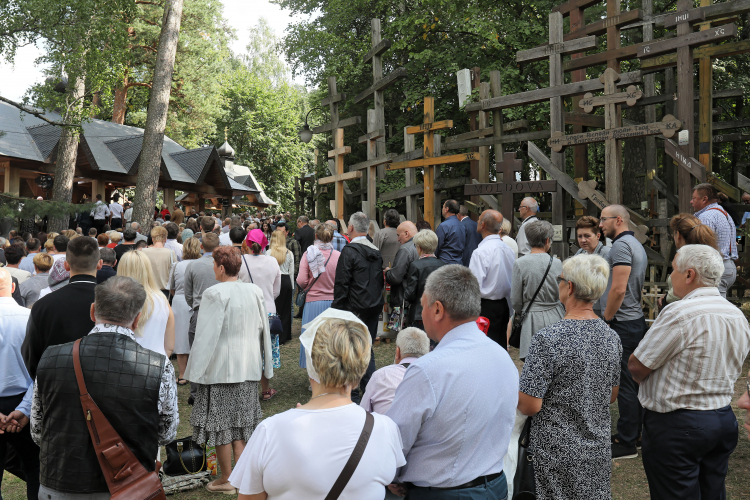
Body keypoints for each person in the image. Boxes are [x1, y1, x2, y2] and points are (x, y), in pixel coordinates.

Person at [30, 276, 179, 499]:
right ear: (137, 319)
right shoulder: (158, 366)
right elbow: (166, 433)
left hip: (60, 484)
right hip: (129, 486)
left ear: (93, 312)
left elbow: (37, 429)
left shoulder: (50, 357)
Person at [229, 312, 405, 499]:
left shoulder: (270, 431)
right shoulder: (386, 429)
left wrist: (290, 422)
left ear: (312, 362)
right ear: (362, 367)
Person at [628, 244, 750, 499]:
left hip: (678, 423)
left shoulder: (680, 312)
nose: (670, 277)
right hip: (722, 418)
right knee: (713, 492)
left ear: (689, 275)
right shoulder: (737, 315)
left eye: (673, 270)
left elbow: (638, 365)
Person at [387, 265, 518, 498]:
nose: (422, 311)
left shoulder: (427, 370)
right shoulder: (502, 357)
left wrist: (393, 476)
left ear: (437, 309)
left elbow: (395, 443)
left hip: (444, 492)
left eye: (423, 303)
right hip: (495, 485)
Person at [518, 254, 621, 500]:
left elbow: (529, 405)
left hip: (555, 450)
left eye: (560, 280)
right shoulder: (611, 337)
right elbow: (611, 395)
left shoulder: (547, 339)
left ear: (570, 287)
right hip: (596, 447)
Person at [183, 246, 271, 494]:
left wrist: (194, 371)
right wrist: (267, 367)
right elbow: (264, 329)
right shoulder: (253, 290)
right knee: (242, 424)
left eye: (213, 265)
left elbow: (205, 337)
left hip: (221, 368)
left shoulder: (213, 293)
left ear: (221, 267)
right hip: (249, 366)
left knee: (222, 426)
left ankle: (228, 479)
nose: (212, 269)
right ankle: (241, 478)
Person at [597, 204, 648, 458]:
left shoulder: (620, 246)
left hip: (623, 322)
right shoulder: (635, 244)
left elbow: (618, 289)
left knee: (626, 383)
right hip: (634, 319)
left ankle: (627, 441)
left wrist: (606, 319)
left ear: (618, 220)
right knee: (633, 382)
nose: (600, 224)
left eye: (603, 220)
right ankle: (635, 435)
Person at [22, 236, 101, 379]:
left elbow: (30, 354)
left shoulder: (43, 305)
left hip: (56, 386)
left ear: (66, 265)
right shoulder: (114, 302)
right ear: (100, 264)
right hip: (102, 389)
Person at [332, 212, 384, 397]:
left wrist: (337, 309)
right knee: (366, 347)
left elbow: (342, 282)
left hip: (353, 308)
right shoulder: (376, 252)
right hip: (372, 306)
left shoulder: (349, 251)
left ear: (351, 228)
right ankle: (370, 388)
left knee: (351, 349)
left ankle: (352, 393)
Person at [0, 268, 39, 500]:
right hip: (25, 399)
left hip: (24, 401)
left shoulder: (31, 317)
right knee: (34, 467)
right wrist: (25, 408)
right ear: (13, 287)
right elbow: (41, 368)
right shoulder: (31, 318)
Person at [511, 220, 565, 360]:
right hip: (556, 314)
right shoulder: (557, 263)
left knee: (534, 362)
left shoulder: (520, 264)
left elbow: (516, 300)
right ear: (548, 240)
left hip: (532, 317)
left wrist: (521, 309)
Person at [239, 229, 281, 401]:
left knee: (246, 349)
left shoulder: (240, 261)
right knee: (266, 352)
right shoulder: (272, 262)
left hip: (245, 310)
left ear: (247, 243)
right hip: (268, 310)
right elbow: (276, 291)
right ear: (265, 243)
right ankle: (265, 389)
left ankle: (246, 388)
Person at [183, 232, 220, 405]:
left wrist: (195, 305)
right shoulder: (221, 264)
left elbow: (188, 294)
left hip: (200, 311)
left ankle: (197, 393)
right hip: (219, 311)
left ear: (201, 247)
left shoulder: (193, 265)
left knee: (196, 352)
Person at [470, 210, 515, 350]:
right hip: (503, 305)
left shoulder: (480, 252)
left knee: (483, 349)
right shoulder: (508, 250)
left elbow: (473, 286)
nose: (477, 222)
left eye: (478, 220)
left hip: (484, 307)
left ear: (482, 224)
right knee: (499, 347)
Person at [298, 223, 341, 369]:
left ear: (315, 236)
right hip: (333, 304)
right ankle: (330, 373)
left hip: (313, 303)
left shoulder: (308, 254)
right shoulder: (338, 255)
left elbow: (302, 280)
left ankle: (314, 377)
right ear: (332, 237)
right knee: (331, 342)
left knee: (312, 342)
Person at [118, 250, 175, 358]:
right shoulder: (162, 300)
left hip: (124, 363)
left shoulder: (115, 300)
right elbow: (169, 346)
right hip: (156, 363)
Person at [361, 327, 430, 414]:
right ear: (428, 353)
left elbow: (364, 413)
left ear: (397, 352)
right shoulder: (437, 380)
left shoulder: (380, 376)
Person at [658, 214, 717, 309]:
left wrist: (668, 298)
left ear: (678, 235)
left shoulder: (686, 259)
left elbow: (684, 290)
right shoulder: (705, 255)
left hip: (683, 310)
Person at [691, 183, 738, 297]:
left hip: (715, 269)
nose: (691, 201)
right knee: (718, 305)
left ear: (704, 199)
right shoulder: (723, 212)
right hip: (728, 266)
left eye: (694, 198)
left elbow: (703, 248)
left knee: (713, 309)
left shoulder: (706, 217)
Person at [169, 236, 201, 384]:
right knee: (198, 337)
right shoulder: (203, 264)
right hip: (198, 301)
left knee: (181, 339)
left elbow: (172, 288)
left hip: (180, 302)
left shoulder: (177, 265)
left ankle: (182, 374)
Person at [403, 229, 445, 330]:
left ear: (419, 248)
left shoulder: (415, 266)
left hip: (419, 313)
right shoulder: (443, 265)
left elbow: (410, 294)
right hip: (438, 313)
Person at [385, 221, 418, 319]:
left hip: (402, 302)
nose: (398, 239)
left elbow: (395, 278)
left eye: (399, 235)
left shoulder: (405, 250)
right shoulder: (423, 246)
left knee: (399, 333)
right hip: (417, 302)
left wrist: (388, 272)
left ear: (407, 234)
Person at [267, 229, 294, 345]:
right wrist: (292, 287)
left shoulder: (268, 253)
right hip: (286, 280)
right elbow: (291, 271)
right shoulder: (289, 253)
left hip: (273, 280)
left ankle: (273, 331)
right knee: (286, 309)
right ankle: (285, 335)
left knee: (274, 307)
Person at [142, 225, 177, 295]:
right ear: (165, 239)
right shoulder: (170, 253)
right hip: (165, 291)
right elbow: (174, 273)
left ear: (152, 239)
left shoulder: (143, 252)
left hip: (148, 290)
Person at [435, 199, 467, 265]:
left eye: (443, 207)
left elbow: (437, 247)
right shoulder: (462, 226)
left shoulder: (443, 226)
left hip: (445, 263)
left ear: (447, 209)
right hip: (459, 263)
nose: (442, 209)